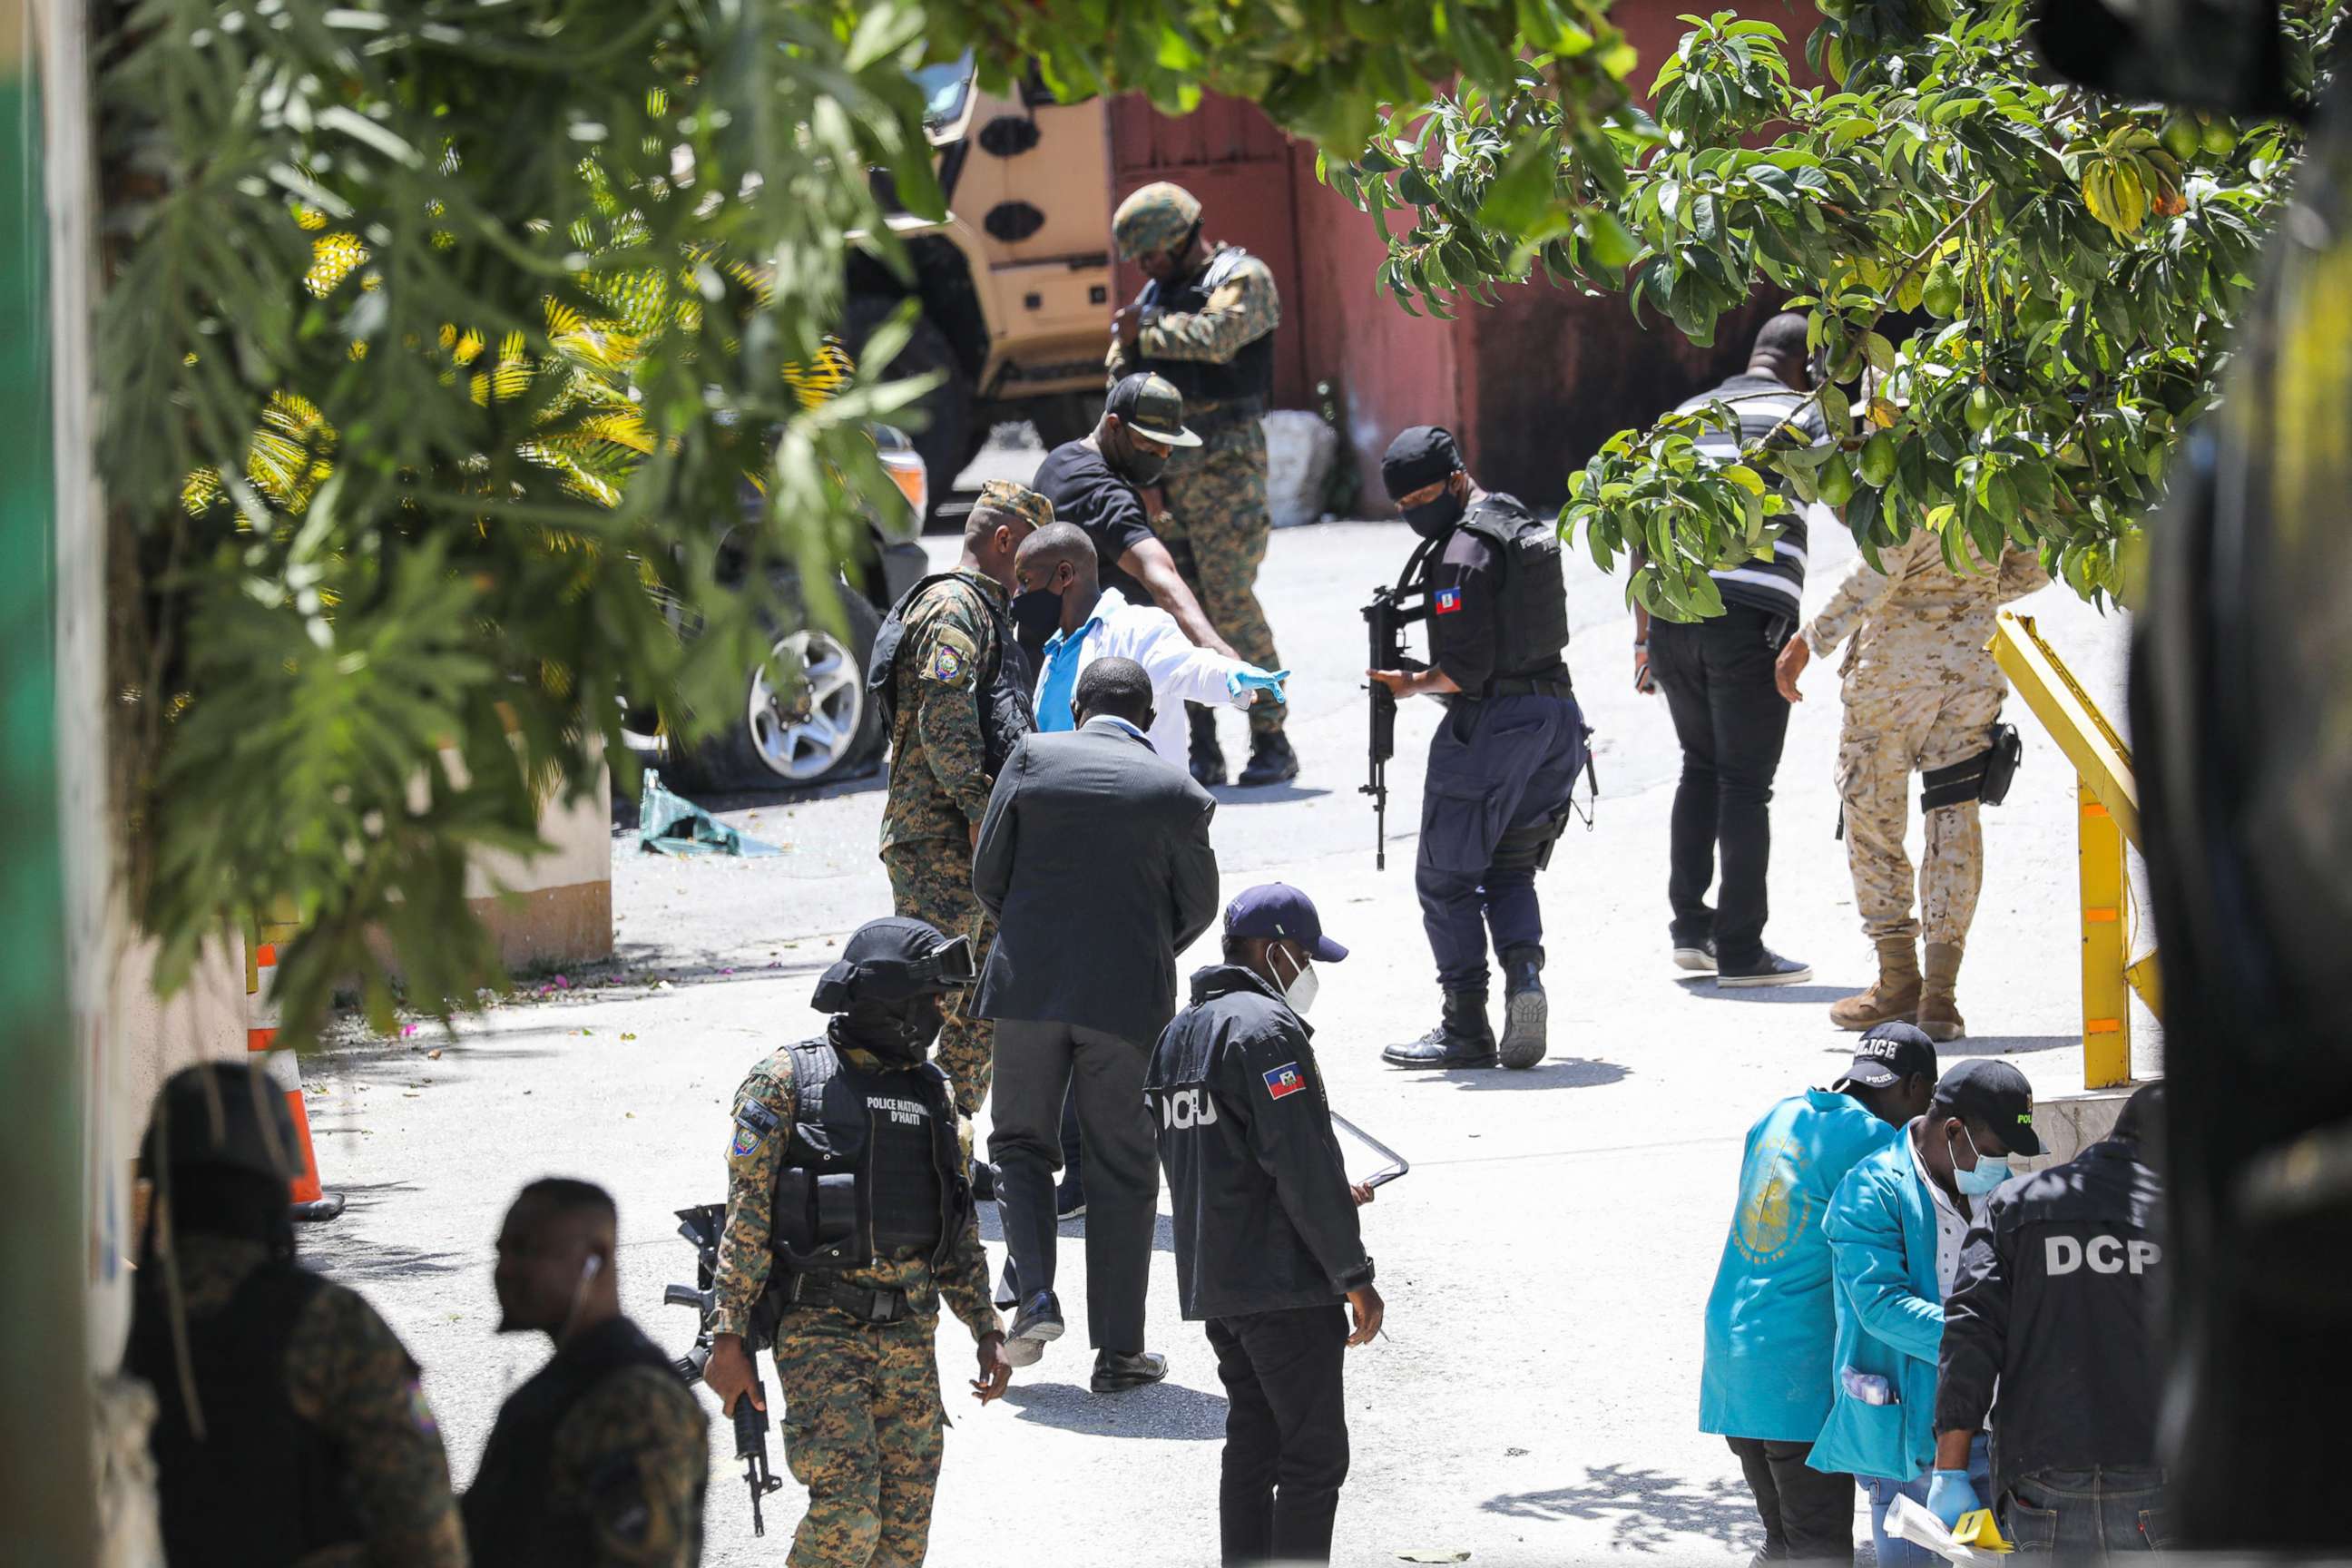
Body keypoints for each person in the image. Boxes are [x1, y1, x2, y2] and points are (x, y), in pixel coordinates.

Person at [701, 916, 1013, 1568]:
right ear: (890, 1002)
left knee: (900, 1541)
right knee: (847, 1520)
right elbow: (747, 1218)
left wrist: (985, 1324)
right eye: (930, 999)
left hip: (910, 1332)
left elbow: (955, 1230)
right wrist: (726, 1336)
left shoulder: (935, 1094)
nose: (940, 1013)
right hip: (821, 1325)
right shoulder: (786, 1081)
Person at [972, 656, 1220, 1389]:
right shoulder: (1180, 791)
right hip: (1126, 1001)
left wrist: (1037, 941)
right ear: (1146, 718)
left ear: (1077, 707)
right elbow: (1198, 906)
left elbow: (990, 875)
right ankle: (1119, 1355)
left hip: (1027, 991)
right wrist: (1140, 950)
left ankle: (1036, 1300)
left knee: (1019, 1145)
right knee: (1122, 1166)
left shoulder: (1031, 757)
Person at [122, 1062, 466, 1568]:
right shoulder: (332, 1325)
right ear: (276, 1188)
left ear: (161, 1189)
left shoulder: (91, 1325)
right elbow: (426, 1533)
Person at [1146, 883, 1383, 1567]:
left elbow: (1220, 1158)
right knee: (1312, 1459)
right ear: (1276, 951)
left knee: (1254, 1442)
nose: (1308, 973)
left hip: (1219, 1281)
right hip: (1282, 1283)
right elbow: (1300, 1163)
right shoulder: (1265, 1031)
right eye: (1305, 956)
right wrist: (1354, 1277)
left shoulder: (1175, 1036)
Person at [1775, 485, 2049, 1038]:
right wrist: (1970, 592)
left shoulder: (1910, 465)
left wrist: (1808, 641)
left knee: (1872, 818)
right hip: (1972, 665)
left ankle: (1899, 980)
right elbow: (2036, 562)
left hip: (1890, 678)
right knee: (1954, 815)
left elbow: (1878, 569)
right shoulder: (2001, 464)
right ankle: (1940, 999)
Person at [1369, 425, 1589, 1072]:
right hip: (1557, 716)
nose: (1415, 514)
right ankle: (1525, 979)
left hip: (1495, 727)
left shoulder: (1462, 555)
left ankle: (1464, 1026)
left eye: (1424, 498)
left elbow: (1463, 671)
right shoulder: (1518, 521)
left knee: (1444, 877)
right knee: (1509, 867)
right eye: (1402, 506)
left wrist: (1408, 684)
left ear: (1458, 476)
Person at [1702, 1024, 1939, 1567]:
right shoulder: (1883, 1146)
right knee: (1816, 1550)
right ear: (1917, 1087)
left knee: (1783, 1543)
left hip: (1733, 1355)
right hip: (1797, 1369)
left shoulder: (1778, 1115)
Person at [1640, 313, 1828, 986]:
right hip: (1745, 619)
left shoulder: (1687, 413)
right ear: (1804, 365)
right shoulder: (1803, 413)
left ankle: (1692, 932)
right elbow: (1853, 483)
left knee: (1700, 768)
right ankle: (1743, 951)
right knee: (1746, 786)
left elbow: (1642, 519)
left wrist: (1643, 638)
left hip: (1670, 614)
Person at [1808, 1059, 2043, 1567]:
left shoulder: (1994, 1193)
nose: (2001, 1166)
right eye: (1997, 1152)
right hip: (1909, 1441)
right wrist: (1981, 1343)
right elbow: (1880, 1305)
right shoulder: (1870, 1190)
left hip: (1988, 1432)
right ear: (1955, 1131)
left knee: (1983, 1559)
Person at [868, 477, 1052, 1120]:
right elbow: (943, 723)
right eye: (1032, 557)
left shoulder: (982, 608)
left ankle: (949, 1132)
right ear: (1004, 540)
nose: (1037, 576)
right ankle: (893, 1134)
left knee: (984, 1000)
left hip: (975, 837)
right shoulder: (952, 607)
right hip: (941, 838)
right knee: (926, 997)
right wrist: (981, 811)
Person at [1106, 181, 1297, 789]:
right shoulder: (1155, 294)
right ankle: (1201, 747)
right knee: (1176, 612)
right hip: (1165, 475)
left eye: (1152, 255)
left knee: (1229, 603)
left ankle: (1272, 737)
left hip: (1226, 473)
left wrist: (1147, 332)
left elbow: (1217, 338)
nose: (1144, 268)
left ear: (1182, 236)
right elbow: (1118, 365)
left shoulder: (1243, 277)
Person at [1931, 1083, 2170, 1553]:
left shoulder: (2013, 1207)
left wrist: (1950, 1470)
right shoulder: (2189, 1221)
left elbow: (1970, 1335)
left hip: (2041, 1486)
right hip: (2160, 1483)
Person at [464, 1180, 708, 1566]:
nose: (506, 1271)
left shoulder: (636, 1404)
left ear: (595, 1257)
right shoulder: (575, 1380)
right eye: (502, 1253)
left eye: (527, 1251)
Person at [1014, 523, 1288, 766]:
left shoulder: (1136, 628)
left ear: (1064, 575)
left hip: (1132, 812)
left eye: (1026, 581)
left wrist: (1228, 674)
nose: (1019, 594)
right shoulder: (1055, 649)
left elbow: (1184, 664)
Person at [1026, 372, 1233, 662]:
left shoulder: (1059, 460)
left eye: (1168, 447)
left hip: (1060, 650)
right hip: (1100, 664)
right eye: (1151, 444)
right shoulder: (1103, 494)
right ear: (1114, 426)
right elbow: (1158, 571)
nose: (1162, 455)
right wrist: (1213, 646)